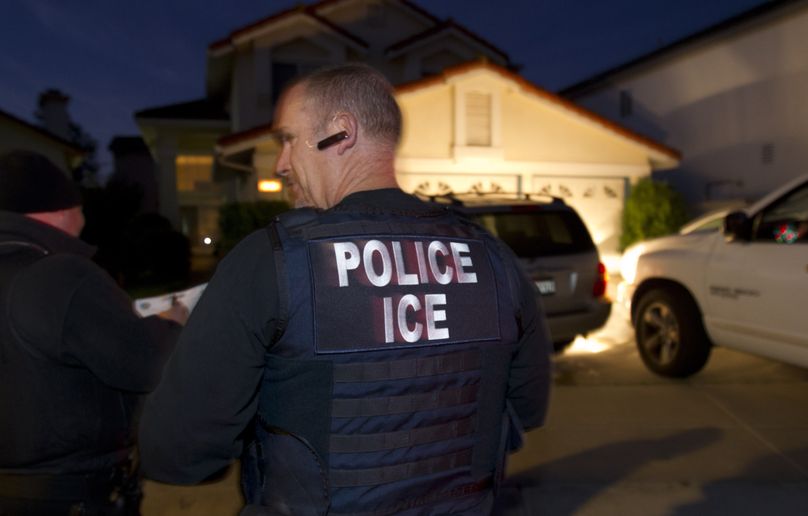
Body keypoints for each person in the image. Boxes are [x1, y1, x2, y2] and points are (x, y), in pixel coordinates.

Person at [139, 63, 552, 515]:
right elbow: (525, 410)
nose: (281, 162)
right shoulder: (494, 258)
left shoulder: (273, 259)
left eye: (289, 139)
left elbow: (178, 453)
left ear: (341, 132)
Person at [0, 150, 188, 515]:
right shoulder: (60, 275)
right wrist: (171, 322)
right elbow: (146, 363)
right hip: (65, 495)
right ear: (60, 210)